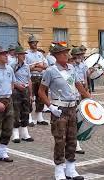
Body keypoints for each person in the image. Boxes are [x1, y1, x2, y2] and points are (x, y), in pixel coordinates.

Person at [38, 44, 90, 180]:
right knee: (60, 140)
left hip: (72, 107)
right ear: (56, 56)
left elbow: (78, 85)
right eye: (63, 54)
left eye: (67, 53)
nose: (67, 55)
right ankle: (59, 170)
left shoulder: (72, 68)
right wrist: (50, 107)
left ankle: (71, 169)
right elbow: (41, 92)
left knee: (72, 139)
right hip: (59, 109)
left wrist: (88, 97)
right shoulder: (50, 71)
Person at [10, 45, 34, 143]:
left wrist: (31, 94)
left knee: (25, 110)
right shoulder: (11, 65)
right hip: (15, 90)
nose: (24, 56)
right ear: (17, 55)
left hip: (25, 90)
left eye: (24, 54)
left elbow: (29, 80)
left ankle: (25, 133)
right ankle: (15, 134)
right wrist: (16, 85)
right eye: (21, 54)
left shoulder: (26, 66)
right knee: (16, 111)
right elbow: (9, 79)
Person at [25, 34, 49, 126]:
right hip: (31, 77)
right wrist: (35, 67)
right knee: (30, 97)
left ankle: (39, 117)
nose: (34, 44)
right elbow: (25, 67)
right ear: (29, 43)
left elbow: (46, 65)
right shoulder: (26, 54)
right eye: (32, 42)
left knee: (41, 97)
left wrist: (38, 66)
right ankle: (29, 118)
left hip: (41, 77)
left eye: (35, 42)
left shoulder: (40, 54)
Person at [71, 46, 89, 154]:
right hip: (74, 92)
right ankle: (74, 143)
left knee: (79, 116)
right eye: (77, 56)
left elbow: (85, 77)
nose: (79, 57)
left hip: (81, 89)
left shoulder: (83, 65)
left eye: (80, 55)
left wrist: (86, 87)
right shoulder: (70, 67)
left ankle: (76, 141)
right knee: (74, 118)